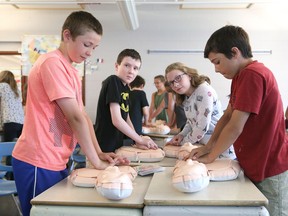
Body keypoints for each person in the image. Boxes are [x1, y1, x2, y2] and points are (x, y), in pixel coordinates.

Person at [12, 11, 129, 216]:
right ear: (67, 36)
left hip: (57, 157)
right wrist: (96, 161)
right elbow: (74, 117)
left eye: (95, 47)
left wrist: (99, 153)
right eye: (87, 44)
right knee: (41, 213)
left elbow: (82, 116)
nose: (90, 52)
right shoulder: (52, 63)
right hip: (38, 159)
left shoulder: (72, 71)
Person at [187, 25, 288, 216]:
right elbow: (227, 116)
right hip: (255, 160)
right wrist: (209, 147)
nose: (216, 70)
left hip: (270, 164)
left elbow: (235, 127)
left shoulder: (253, 74)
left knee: (274, 211)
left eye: (217, 62)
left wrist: (211, 156)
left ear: (234, 52)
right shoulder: (240, 76)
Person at [165, 62, 235, 159]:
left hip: (220, 149)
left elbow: (202, 126)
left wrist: (183, 143)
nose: (175, 84)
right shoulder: (186, 96)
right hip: (205, 147)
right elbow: (190, 122)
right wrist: (181, 135)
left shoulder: (204, 90)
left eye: (178, 78)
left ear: (189, 75)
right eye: (171, 82)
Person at [94, 48, 157, 153]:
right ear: (116, 66)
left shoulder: (126, 88)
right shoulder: (113, 81)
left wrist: (136, 140)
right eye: (127, 65)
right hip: (104, 144)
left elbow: (126, 117)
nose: (131, 71)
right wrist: (140, 139)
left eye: (135, 68)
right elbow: (117, 120)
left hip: (116, 143)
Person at [0, 70, 25, 180]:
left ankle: (9, 177)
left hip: (10, 122)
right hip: (20, 123)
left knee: (8, 150)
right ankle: (14, 176)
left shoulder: (2, 86)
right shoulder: (16, 90)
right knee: (16, 150)